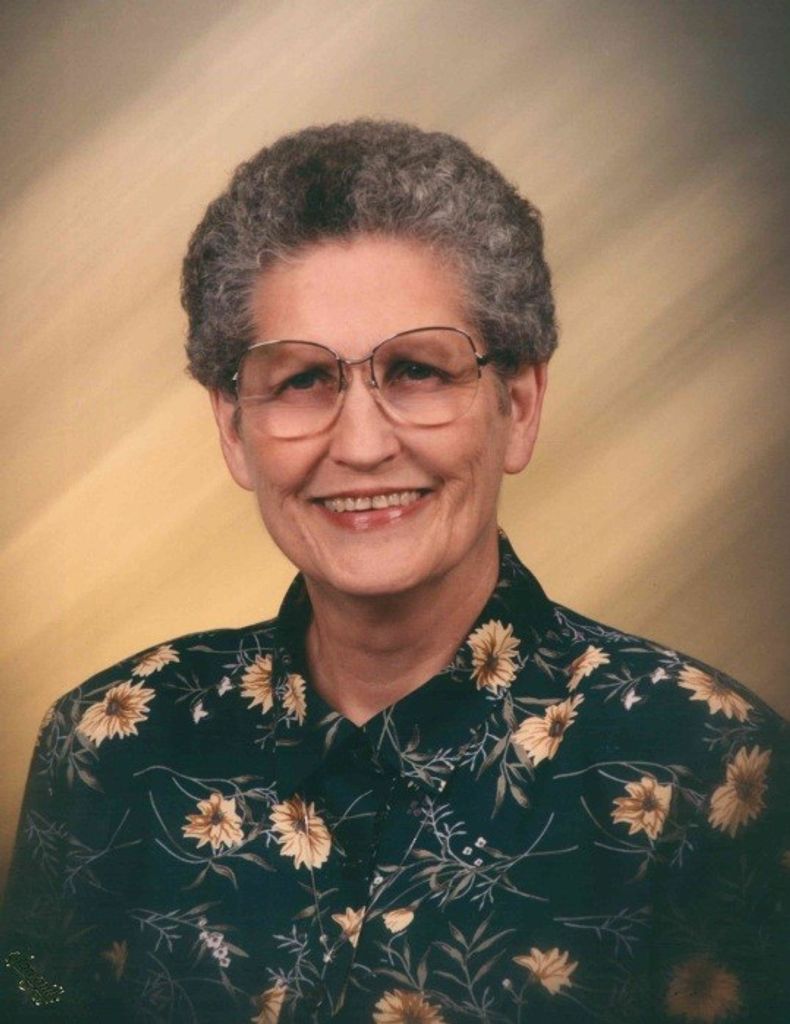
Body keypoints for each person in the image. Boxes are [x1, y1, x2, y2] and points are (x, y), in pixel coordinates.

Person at [1, 120, 786, 1024]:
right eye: (302, 380)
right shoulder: (109, 746)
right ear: (233, 428)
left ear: (519, 404)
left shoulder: (715, 772)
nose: (363, 444)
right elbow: (32, 994)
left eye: (416, 370)